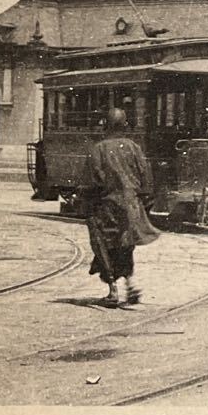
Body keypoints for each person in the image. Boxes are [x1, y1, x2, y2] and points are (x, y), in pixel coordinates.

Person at [79, 108, 159, 306]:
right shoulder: (134, 147)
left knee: (104, 246)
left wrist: (83, 199)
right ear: (125, 125)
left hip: (106, 206)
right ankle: (130, 284)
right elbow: (145, 178)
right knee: (126, 246)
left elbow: (93, 182)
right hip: (130, 206)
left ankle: (113, 290)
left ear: (105, 125)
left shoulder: (99, 149)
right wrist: (143, 202)